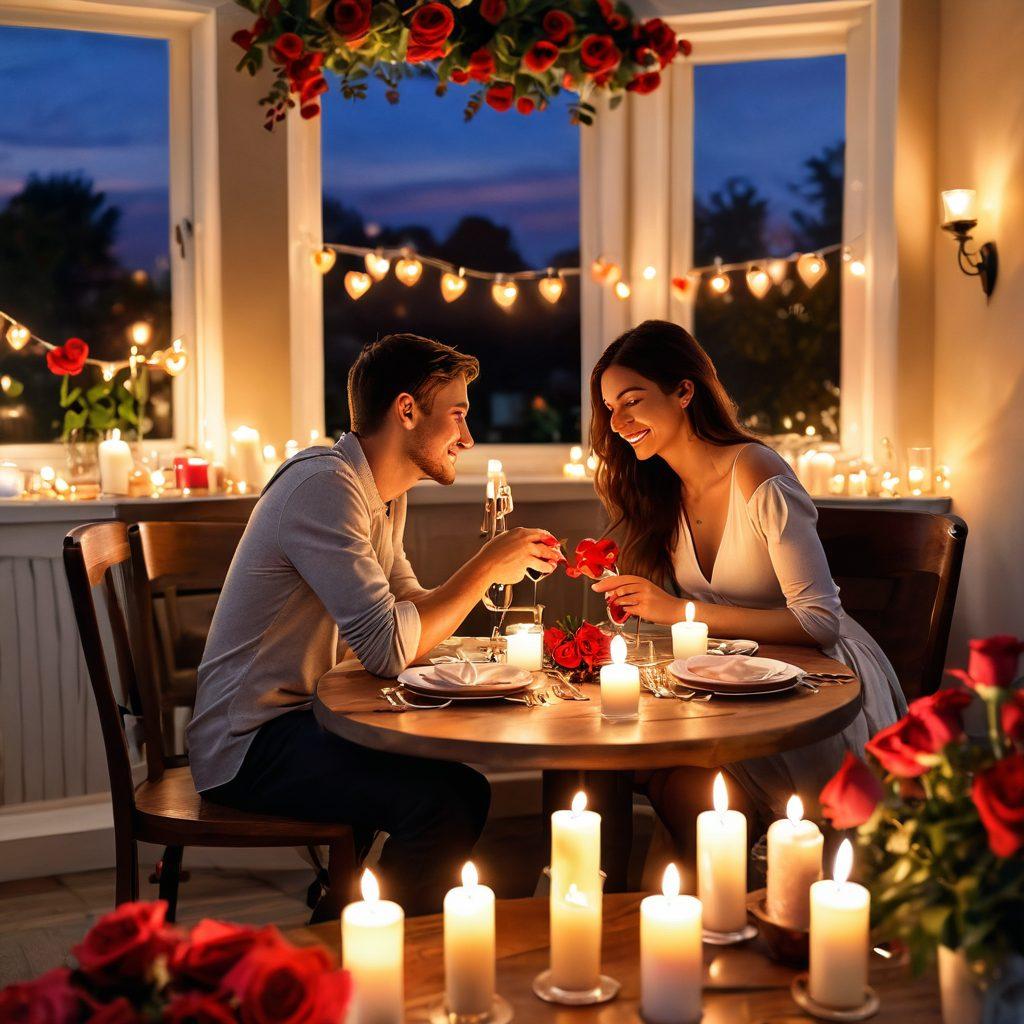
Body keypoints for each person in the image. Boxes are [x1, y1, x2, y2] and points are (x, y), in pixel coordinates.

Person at [187, 333, 561, 917]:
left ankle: (346, 919)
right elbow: (388, 647)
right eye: (458, 415)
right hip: (248, 741)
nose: (467, 437)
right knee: (447, 803)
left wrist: (488, 655)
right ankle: (352, 951)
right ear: (407, 410)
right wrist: (487, 566)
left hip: (304, 718)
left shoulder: (379, 493)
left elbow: (407, 602)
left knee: (457, 788)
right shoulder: (325, 488)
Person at [588, 319, 906, 867]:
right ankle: (675, 919)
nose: (617, 422)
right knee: (623, 766)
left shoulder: (755, 471)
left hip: (810, 687)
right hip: (728, 688)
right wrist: (641, 604)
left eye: (632, 401)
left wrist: (680, 611)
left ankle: (756, 910)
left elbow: (818, 623)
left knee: (668, 783)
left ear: (685, 391)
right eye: (610, 407)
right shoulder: (663, 490)